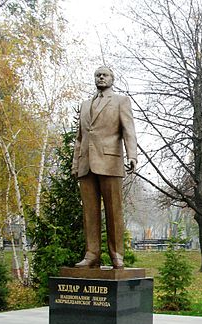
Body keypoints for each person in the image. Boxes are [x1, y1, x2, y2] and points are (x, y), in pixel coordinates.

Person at [71, 66, 137, 269]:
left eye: (104, 74)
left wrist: (132, 155)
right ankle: (92, 254)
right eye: (97, 74)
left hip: (110, 161)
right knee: (89, 213)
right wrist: (75, 163)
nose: (100, 77)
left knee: (113, 211)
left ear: (112, 79)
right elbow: (80, 138)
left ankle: (117, 254)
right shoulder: (84, 105)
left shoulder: (120, 101)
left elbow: (129, 131)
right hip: (86, 164)